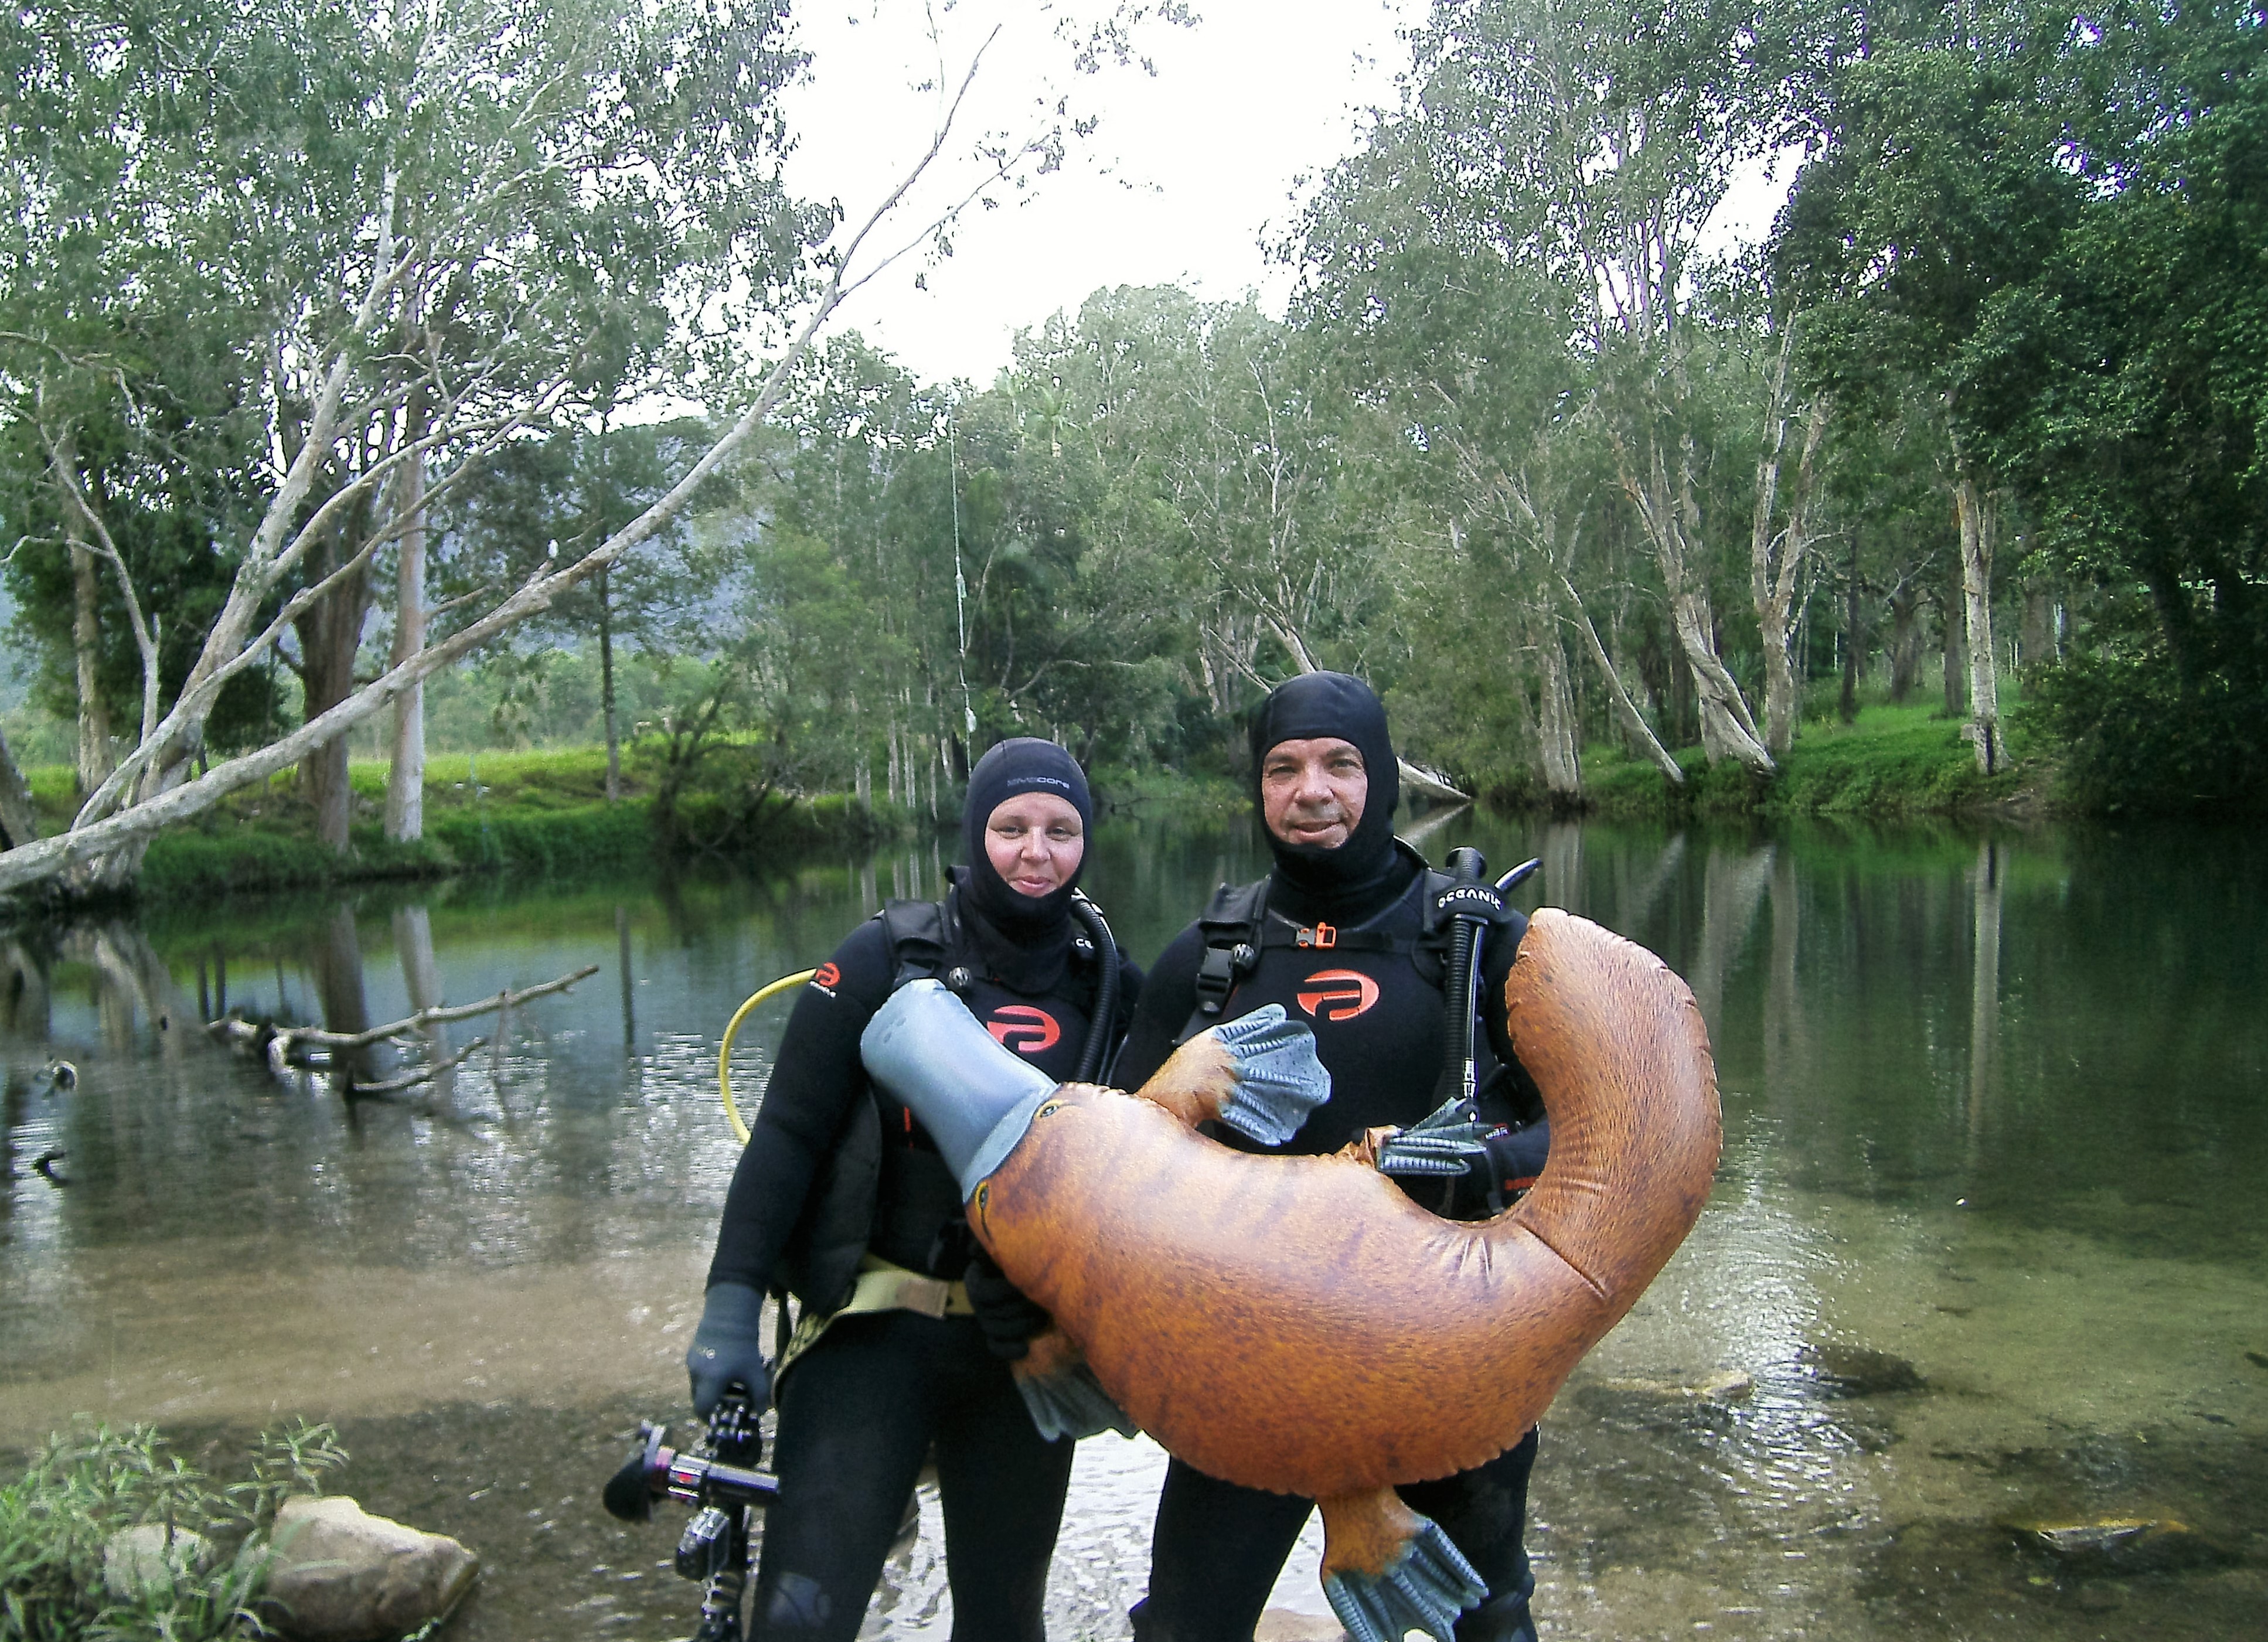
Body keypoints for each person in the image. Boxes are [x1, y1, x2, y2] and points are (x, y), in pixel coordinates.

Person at [1109, 672, 1550, 1642]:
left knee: (1483, 1621)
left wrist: (1488, 1168)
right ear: (1258, 790)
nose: (1312, 789)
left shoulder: (1477, 944)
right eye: (1284, 767)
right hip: (1248, 1367)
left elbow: (1594, 1139)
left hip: (1441, 1353)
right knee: (1187, 1625)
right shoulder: (1208, 956)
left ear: (1382, 777)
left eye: (1340, 764)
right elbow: (1105, 1162)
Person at [686, 738, 1139, 1642]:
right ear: (975, 835)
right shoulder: (885, 956)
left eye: (1060, 829)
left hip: (1020, 1352)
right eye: (1010, 828)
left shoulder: (1110, 989)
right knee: (799, 1619)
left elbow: (1143, 1186)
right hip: (867, 1334)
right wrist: (728, 1306)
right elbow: (786, 1135)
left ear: (1086, 841)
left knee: (1004, 1620)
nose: (1035, 851)